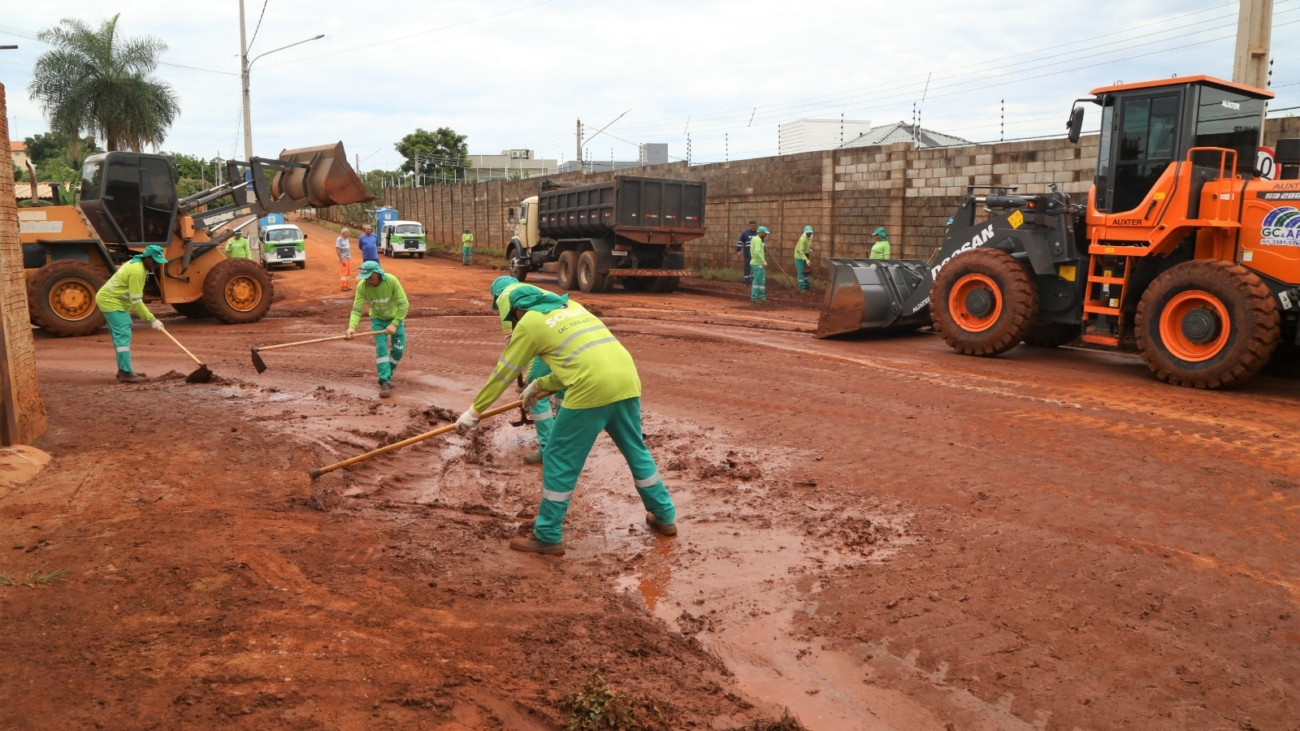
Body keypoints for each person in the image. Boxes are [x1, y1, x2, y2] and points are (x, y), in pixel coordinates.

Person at [455, 285, 677, 555]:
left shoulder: (530, 322)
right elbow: (579, 361)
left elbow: (504, 373)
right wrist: (540, 384)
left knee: (559, 458)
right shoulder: (573, 307)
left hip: (590, 391)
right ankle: (664, 516)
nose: (515, 323)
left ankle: (547, 535)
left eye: (513, 318)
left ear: (516, 310)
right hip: (626, 381)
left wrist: (475, 411)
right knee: (635, 449)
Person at [490, 275, 560, 465]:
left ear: (497, 296)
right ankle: (564, 444)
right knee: (563, 386)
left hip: (547, 343)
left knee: (534, 391)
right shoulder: (531, 291)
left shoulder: (505, 296)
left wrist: (523, 374)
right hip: (563, 340)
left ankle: (548, 448)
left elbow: (515, 343)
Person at [94, 244, 169, 383]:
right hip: (110, 301)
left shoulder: (139, 264)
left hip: (115, 301)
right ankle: (125, 372)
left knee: (122, 333)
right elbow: (136, 301)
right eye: (155, 262)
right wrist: (152, 319)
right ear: (147, 258)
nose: (157, 265)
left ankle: (124, 369)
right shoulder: (137, 270)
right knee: (123, 333)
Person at [346, 260, 408, 399]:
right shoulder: (362, 286)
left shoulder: (391, 281)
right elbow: (357, 309)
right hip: (378, 321)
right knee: (382, 350)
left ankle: (388, 373)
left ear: (378, 273)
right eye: (365, 277)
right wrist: (352, 327)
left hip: (395, 320)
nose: (367, 279)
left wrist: (395, 323)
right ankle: (384, 381)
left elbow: (403, 304)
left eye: (369, 276)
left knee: (398, 349)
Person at [750, 226, 768, 302]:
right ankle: (754, 298)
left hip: (757, 263)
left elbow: (757, 250)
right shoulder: (757, 240)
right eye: (765, 233)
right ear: (761, 233)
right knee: (757, 281)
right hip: (758, 263)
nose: (766, 235)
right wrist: (763, 260)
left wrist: (762, 247)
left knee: (761, 281)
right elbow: (757, 252)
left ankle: (761, 297)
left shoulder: (755, 239)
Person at [736, 220, 757, 286]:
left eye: (754, 226)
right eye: (751, 226)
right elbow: (740, 242)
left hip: (755, 255)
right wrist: (739, 251)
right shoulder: (745, 234)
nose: (753, 227)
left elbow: (762, 243)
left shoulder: (757, 234)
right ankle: (746, 281)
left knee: (754, 268)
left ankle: (754, 282)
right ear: (749, 226)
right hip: (747, 254)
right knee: (747, 267)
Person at [794, 225, 814, 292]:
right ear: (805, 232)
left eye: (810, 233)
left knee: (806, 271)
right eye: (808, 233)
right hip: (799, 255)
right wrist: (806, 260)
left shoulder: (811, 236)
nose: (809, 234)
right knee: (801, 271)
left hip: (806, 253)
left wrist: (810, 248)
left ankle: (807, 286)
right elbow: (800, 251)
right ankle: (801, 288)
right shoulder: (802, 239)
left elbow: (809, 243)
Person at [335, 227, 352, 292]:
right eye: (347, 232)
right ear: (344, 233)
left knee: (348, 272)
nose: (349, 234)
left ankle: (346, 285)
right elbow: (337, 250)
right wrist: (341, 260)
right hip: (343, 259)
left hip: (348, 258)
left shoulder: (346, 239)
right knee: (344, 273)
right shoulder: (339, 239)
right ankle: (343, 286)